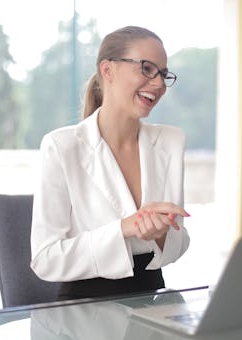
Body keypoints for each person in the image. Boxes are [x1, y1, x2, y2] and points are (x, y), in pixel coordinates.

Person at [30, 26, 190, 300]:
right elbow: (46, 259)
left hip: (152, 301)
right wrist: (125, 228)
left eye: (163, 74)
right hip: (83, 313)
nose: (159, 84)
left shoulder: (170, 142)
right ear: (108, 70)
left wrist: (160, 233)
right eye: (147, 69)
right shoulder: (61, 147)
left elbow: (177, 242)